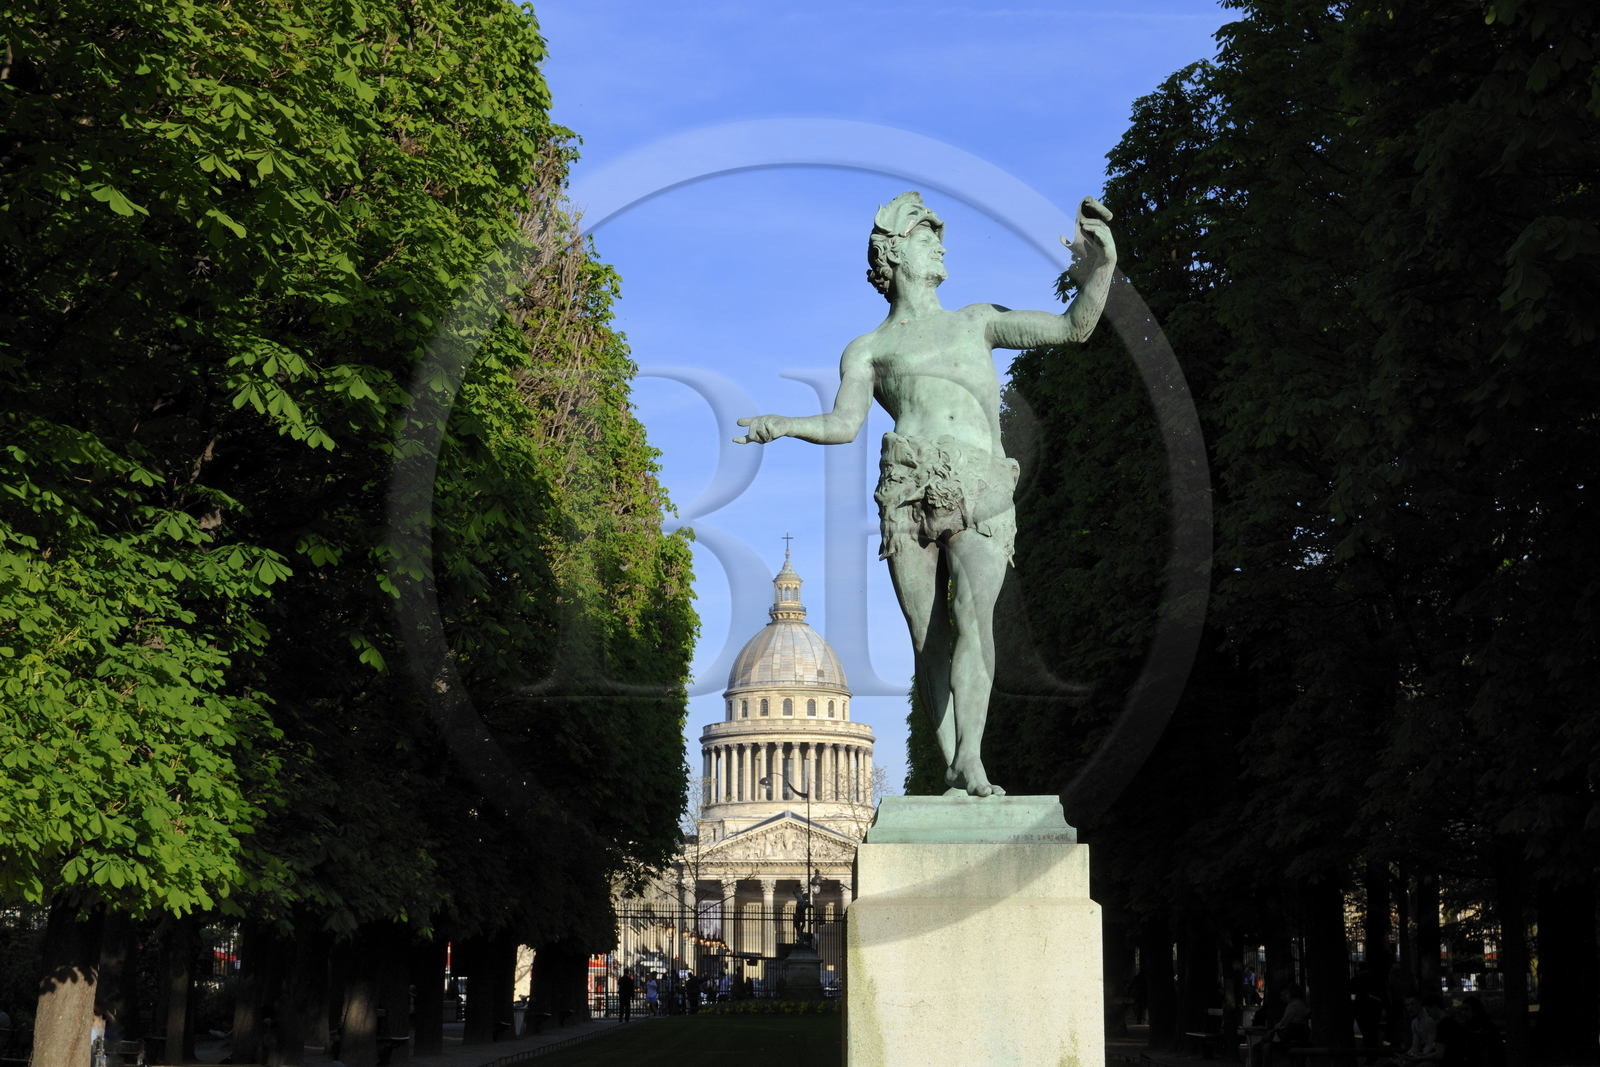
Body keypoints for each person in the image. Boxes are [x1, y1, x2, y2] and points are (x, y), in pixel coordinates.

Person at [736, 191, 1117, 796]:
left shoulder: (978, 320)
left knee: (973, 619)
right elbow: (843, 425)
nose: (939, 244)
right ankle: (952, 766)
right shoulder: (868, 349)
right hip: (905, 488)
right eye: (924, 235)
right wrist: (784, 424)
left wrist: (1101, 266)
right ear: (892, 254)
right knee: (928, 638)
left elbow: (1075, 328)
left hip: (978, 482)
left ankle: (972, 758)